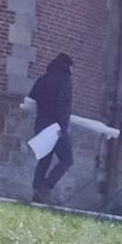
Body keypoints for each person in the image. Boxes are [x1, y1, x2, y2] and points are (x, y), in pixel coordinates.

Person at [29, 52, 74, 203]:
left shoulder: (43, 79)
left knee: (44, 159)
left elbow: (31, 99)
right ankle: (46, 187)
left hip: (41, 125)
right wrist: (63, 127)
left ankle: (37, 191)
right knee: (67, 159)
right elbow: (63, 104)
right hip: (56, 127)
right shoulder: (65, 81)